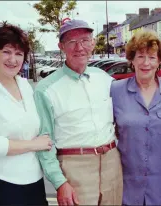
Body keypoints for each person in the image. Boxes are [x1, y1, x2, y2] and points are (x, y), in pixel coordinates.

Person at [33, 19, 123, 206]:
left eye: (84, 40)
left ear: (92, 43)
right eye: (72, 42)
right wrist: (60, 183)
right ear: (61, 46)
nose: (79, 47)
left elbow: (135, 97)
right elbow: (44, 141)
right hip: (75, 167)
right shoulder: (46, 89)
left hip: (112, 164)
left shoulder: (105, 78)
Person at [0, 24, 51, 206]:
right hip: (1, 183)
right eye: (6, 51)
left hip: (34, 179)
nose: (13, 59)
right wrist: (33, 145)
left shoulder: (24, 85)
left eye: (19, 54)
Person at [110, 29, 161, 205]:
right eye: (140, 56)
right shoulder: (115, 90)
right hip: (127, 189)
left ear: (159, 62)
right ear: (132, 60)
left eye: (152, 57)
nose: (146, 63)